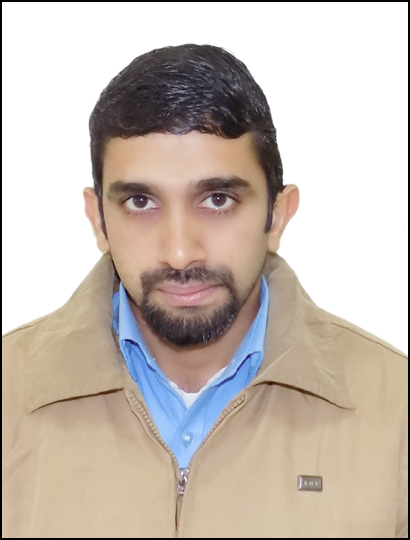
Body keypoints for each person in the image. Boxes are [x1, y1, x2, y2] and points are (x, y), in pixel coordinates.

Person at [2, 44, 407, 539]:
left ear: (277, 215)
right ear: (98, 219)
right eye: (140, 201)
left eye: (217, 199)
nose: (179, 252)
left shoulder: (396, 412)